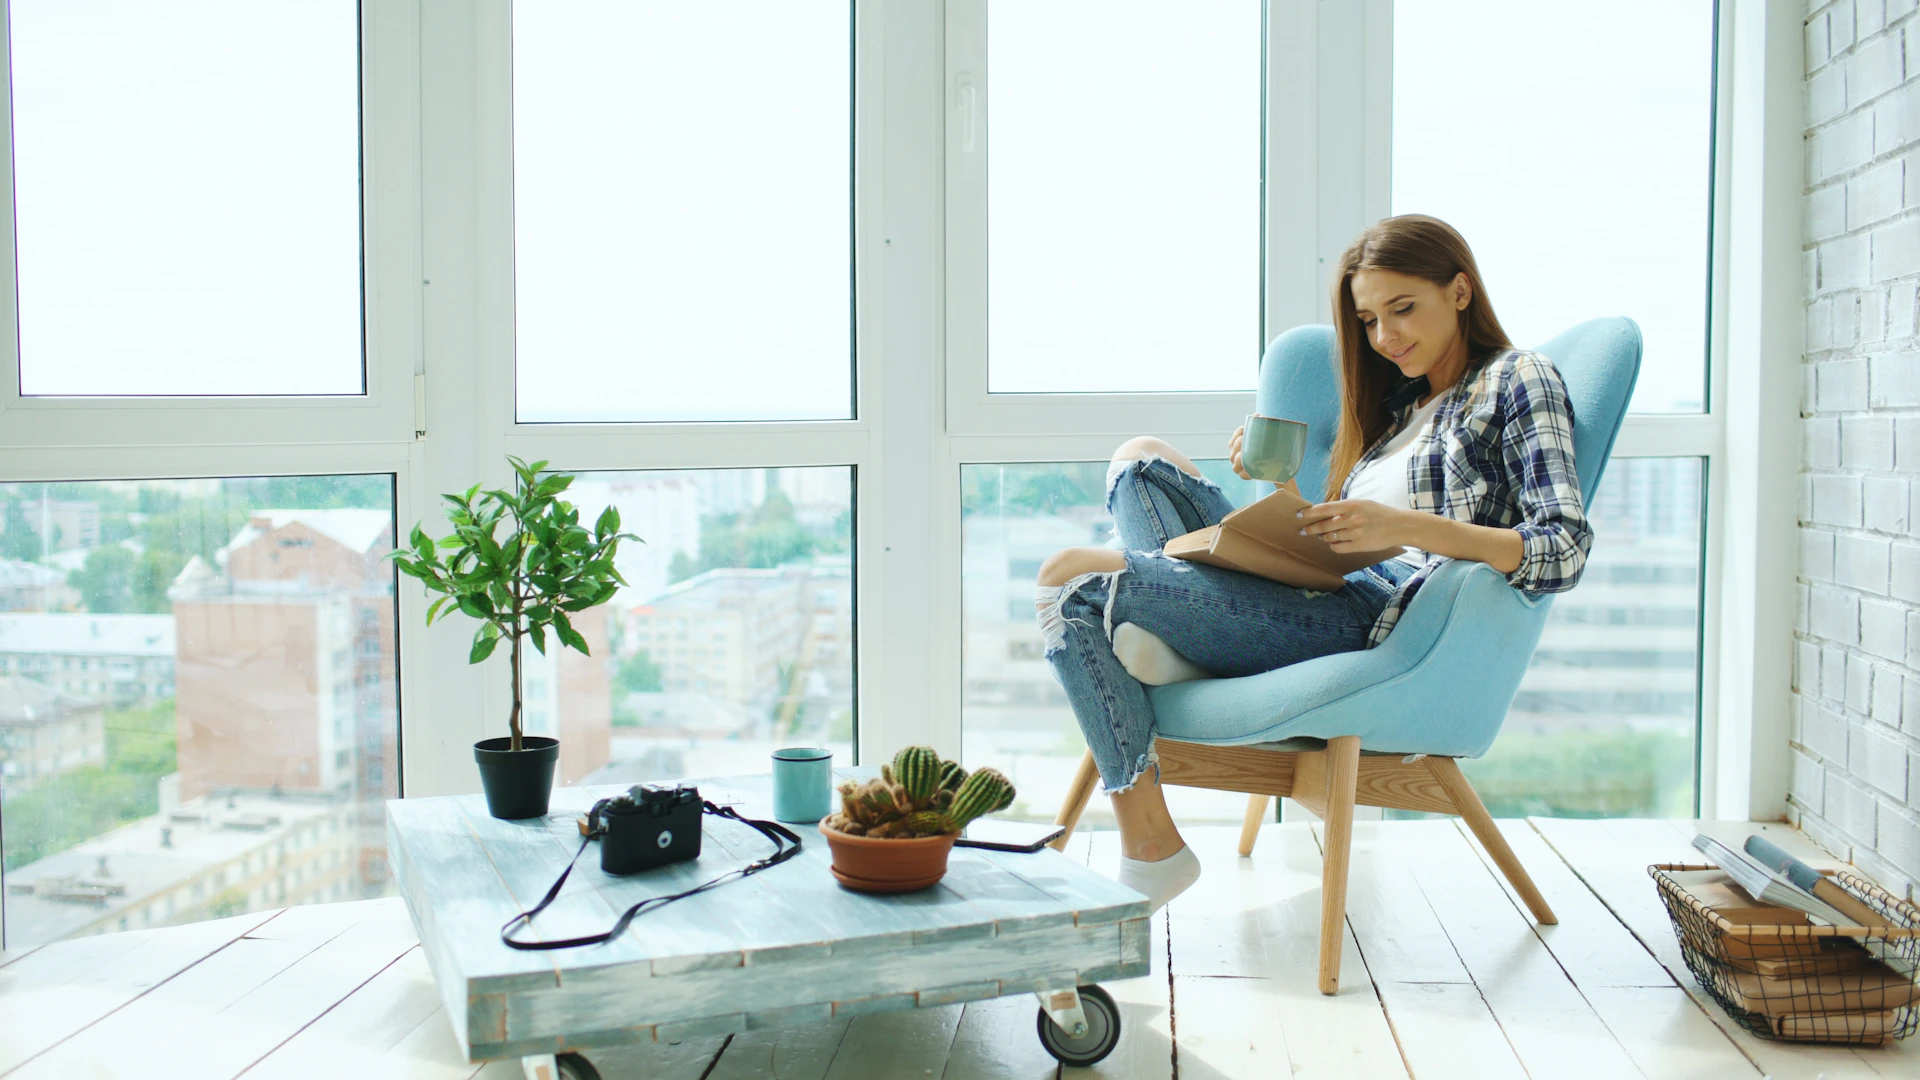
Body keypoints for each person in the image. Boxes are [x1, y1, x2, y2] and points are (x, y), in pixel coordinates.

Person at [1035, 214, 1591, 911]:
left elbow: (1561, 548)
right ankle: (1181, 642)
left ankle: (1151, 844)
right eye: (1368, 320)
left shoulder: (1519, 379)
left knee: (1073, 582)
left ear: (1459, 291)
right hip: (1316, 588)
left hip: (1377, 617)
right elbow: (1329, 538)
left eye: (1402, 309)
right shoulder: (1397, 405)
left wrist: (1407, 526)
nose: (1385, 338)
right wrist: (1278, 489)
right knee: (1138, 461)